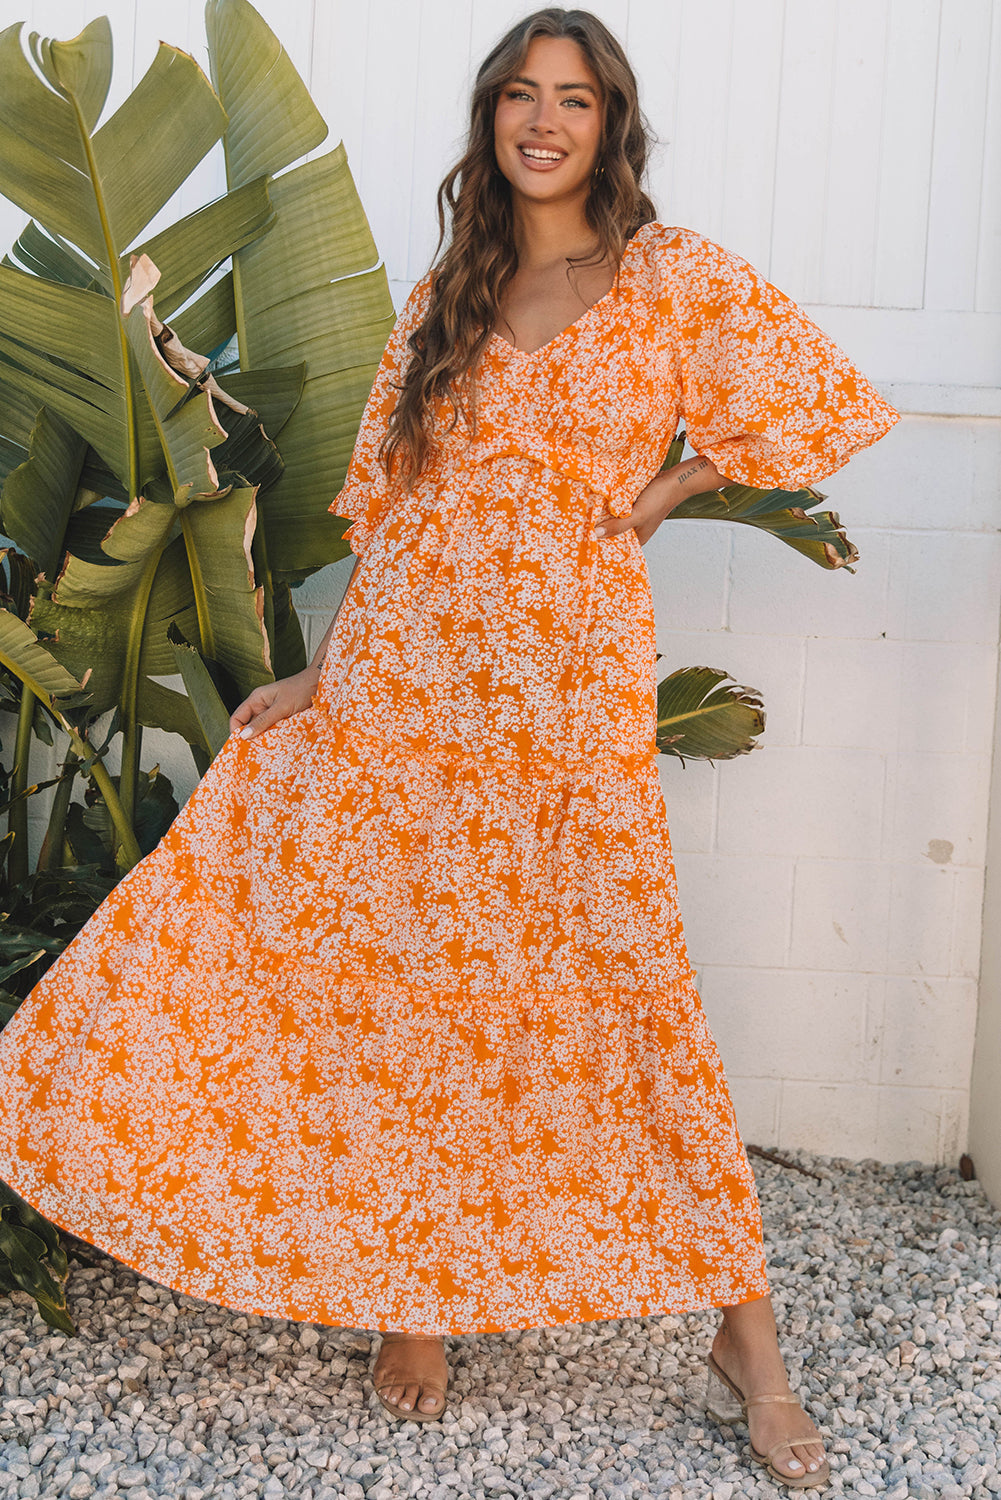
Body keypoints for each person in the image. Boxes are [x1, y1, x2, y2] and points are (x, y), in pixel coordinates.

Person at [0, 7, 899, 1489]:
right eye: (518, 98)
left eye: (574, 100)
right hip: (411, 686)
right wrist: (322, 682)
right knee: (409, 983)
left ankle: (746, 1333)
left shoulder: (672, 277)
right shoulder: (446, 292)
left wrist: (669, 485)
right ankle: (408, 1294)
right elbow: (392, 522)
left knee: (622, 978)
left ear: (613, 124)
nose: (543, 122)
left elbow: (820, 400)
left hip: (563, 691)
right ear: (490, 119)